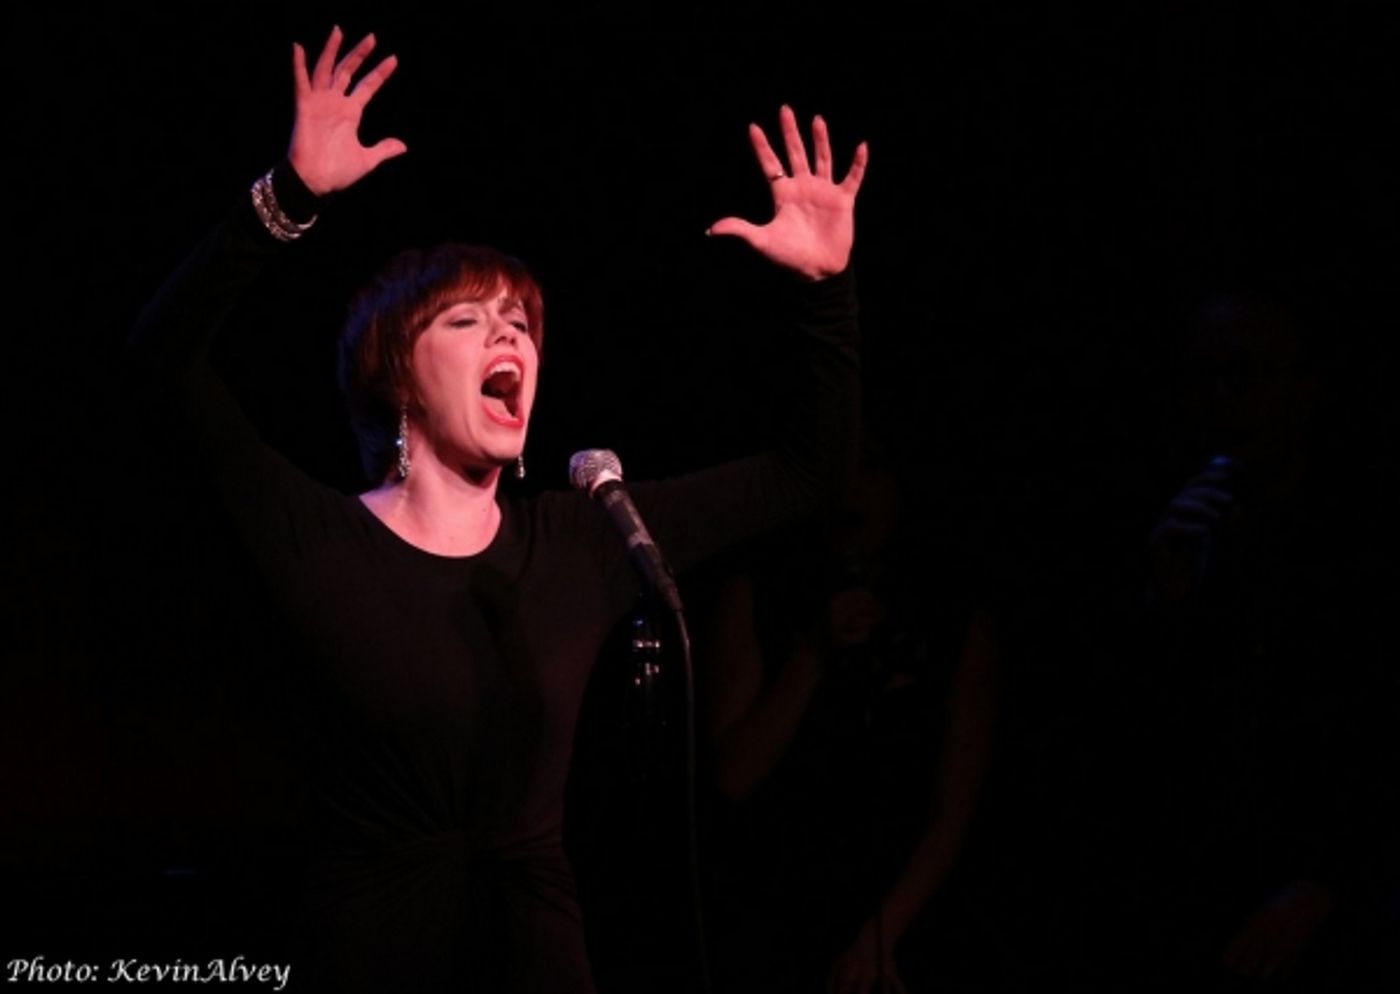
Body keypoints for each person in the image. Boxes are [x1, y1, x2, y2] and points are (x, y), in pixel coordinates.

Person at [126, 25, 867, 994]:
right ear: (395, 372)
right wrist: (284, 203)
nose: (506, 330)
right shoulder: (318, 538)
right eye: (467, 319)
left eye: (519, 320)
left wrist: (825, 297)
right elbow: (158, 364)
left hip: (540, 955)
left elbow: (809, 471)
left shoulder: (583, 539)